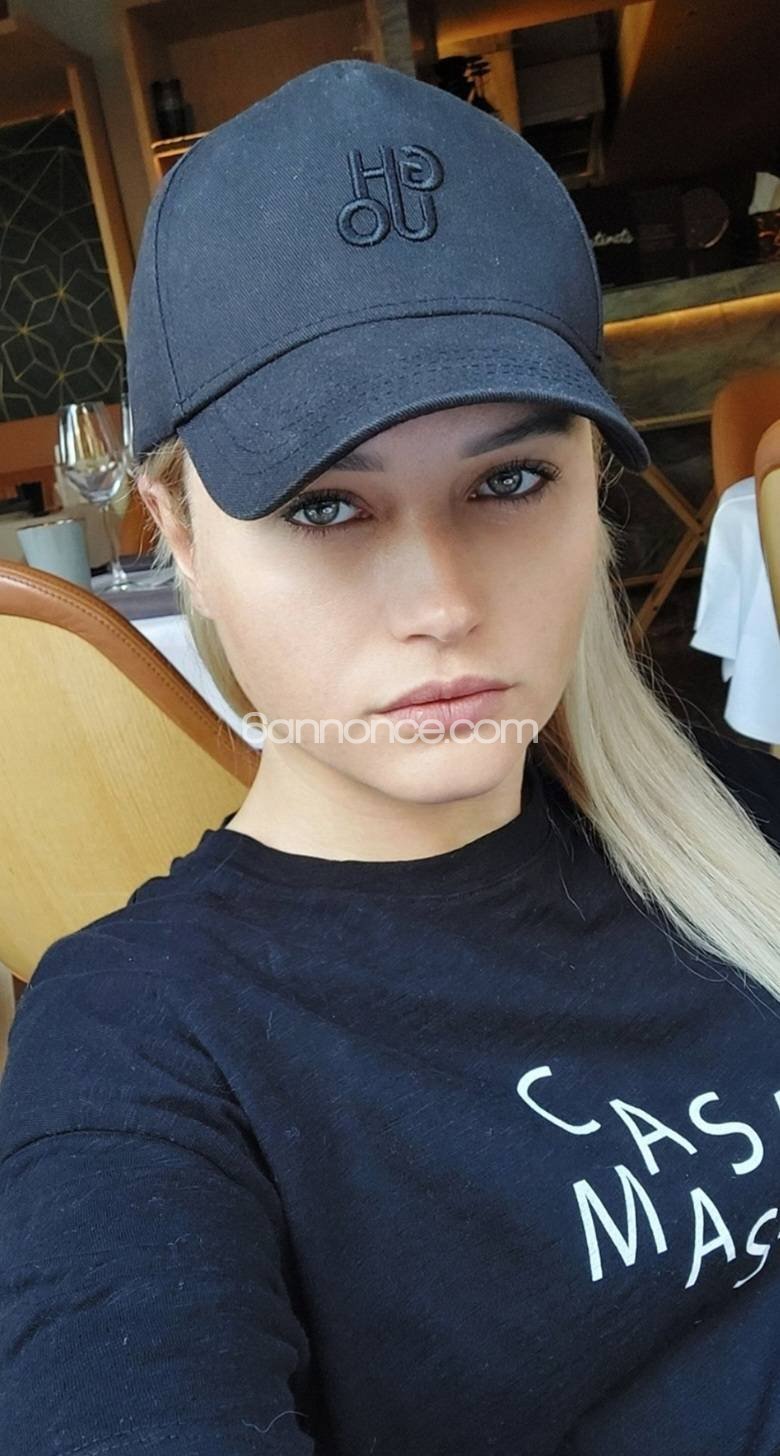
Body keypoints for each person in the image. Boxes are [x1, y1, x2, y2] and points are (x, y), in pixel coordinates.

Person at [1, 58, 779, 1456]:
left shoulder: (731, 812)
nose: (442, 601)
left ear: (594, 489)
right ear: (179, 534)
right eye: (324, 506)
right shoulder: (144, 1049)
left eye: (510, 480)